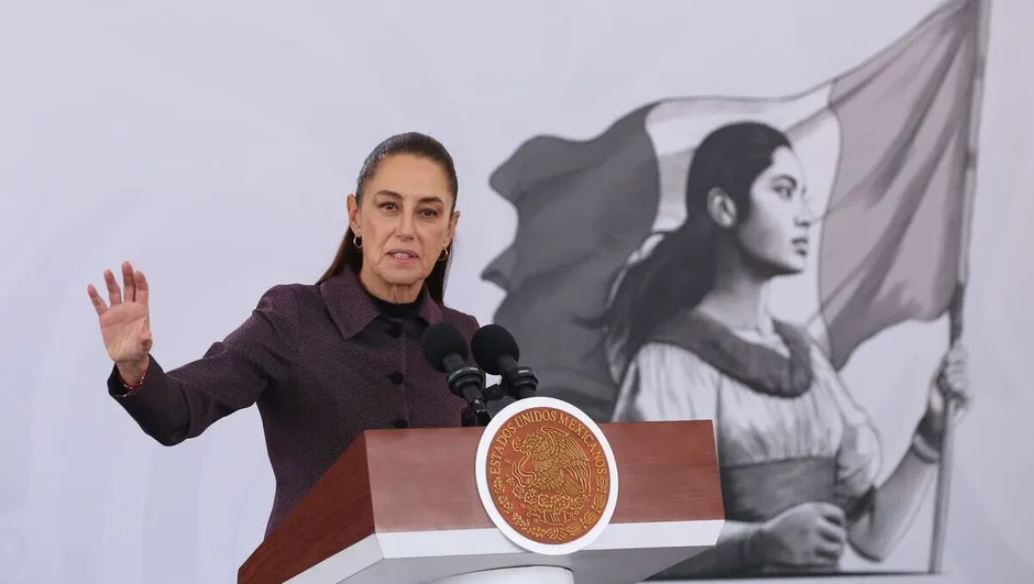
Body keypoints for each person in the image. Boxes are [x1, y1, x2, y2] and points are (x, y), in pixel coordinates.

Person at [601, 122, 970, 576]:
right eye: (783, 191)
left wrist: (930, 434)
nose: (805, 215)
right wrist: (759, 543)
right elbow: (645, 542)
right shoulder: (670, 364)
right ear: (724, 208)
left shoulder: (805, 357)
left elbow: (870, 536)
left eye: (802, 195)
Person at [86, 132, 479, 538]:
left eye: (428, 213)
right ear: (356, 215)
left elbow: (481, 479)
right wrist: (133, 366)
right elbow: (179, 414)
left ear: (450, 228)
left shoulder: (462, 337)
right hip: (313, 563)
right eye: (389, 207)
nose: (406, 229)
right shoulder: (294, 317)